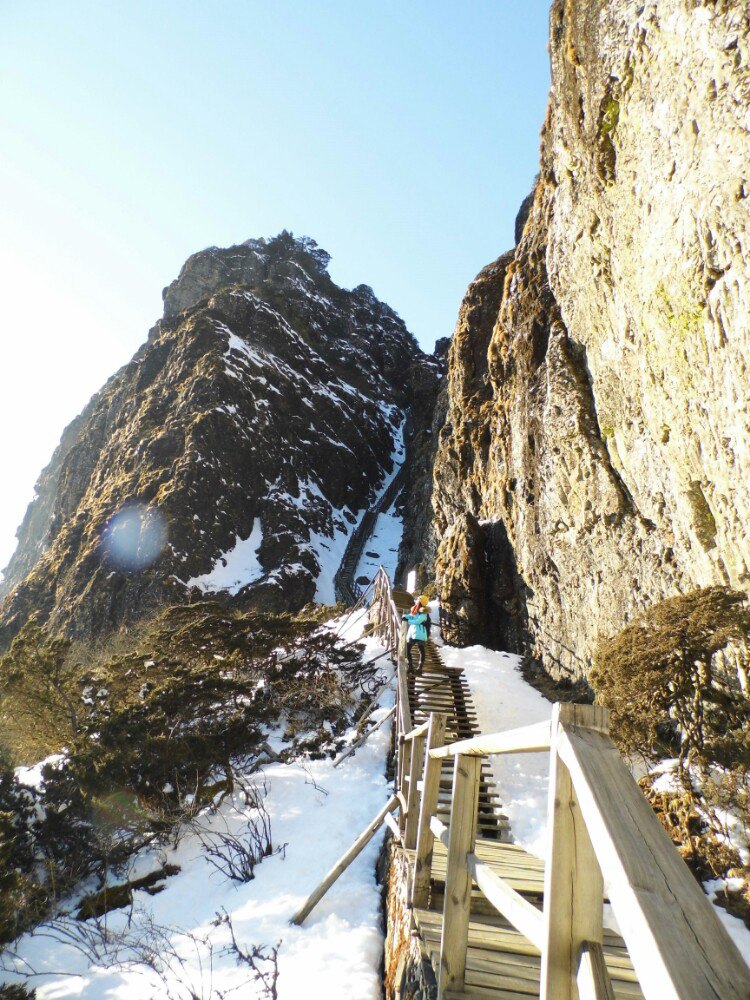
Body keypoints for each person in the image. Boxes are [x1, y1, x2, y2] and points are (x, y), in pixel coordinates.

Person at [402, 596, 430, 673]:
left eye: (418, 599)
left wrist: (408, 621)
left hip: (420, 633)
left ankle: (419, 668)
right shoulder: (416, 609)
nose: (416, 600)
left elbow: (418, 621)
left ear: (421, 601)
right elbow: (411, 616)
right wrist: (405, 616)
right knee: (408, 649)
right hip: (413, 633)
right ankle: (411, 666)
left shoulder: (424, 612)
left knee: (421, 650)